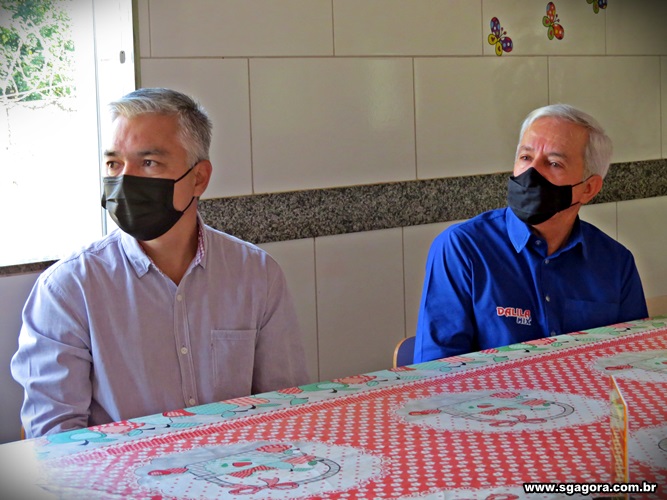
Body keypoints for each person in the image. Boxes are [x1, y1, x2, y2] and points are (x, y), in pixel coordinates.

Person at [11, 88, 309, 438]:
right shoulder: (68, 289)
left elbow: (284, 405)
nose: (125, 180)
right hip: (119, 471)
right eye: (114, 164)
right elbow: (54, 438)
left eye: (149, 163)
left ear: (198, 178)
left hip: (239, 463)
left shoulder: (256, 273)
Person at [414, 104, 648, 363]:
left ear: (588, 188)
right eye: (526, 157)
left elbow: (634, 361)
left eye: (554, 163)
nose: (531, 173)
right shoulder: (463, 248)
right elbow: (437, 370)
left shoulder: (616, 262)